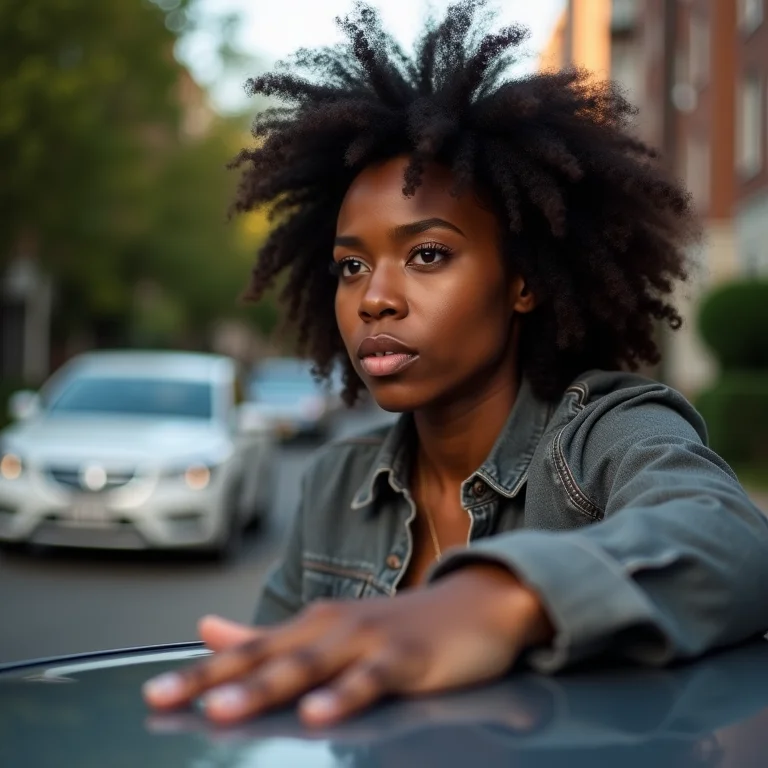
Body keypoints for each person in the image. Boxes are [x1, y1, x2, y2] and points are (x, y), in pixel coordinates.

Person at [143, 0, 768, 727]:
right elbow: (284, 702)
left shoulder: (601, 437)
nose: (374, 299)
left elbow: (731, 539)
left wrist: (496, 603)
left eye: (427, 255)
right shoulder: (334, 486)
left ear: (523, 282)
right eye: (350, 267)